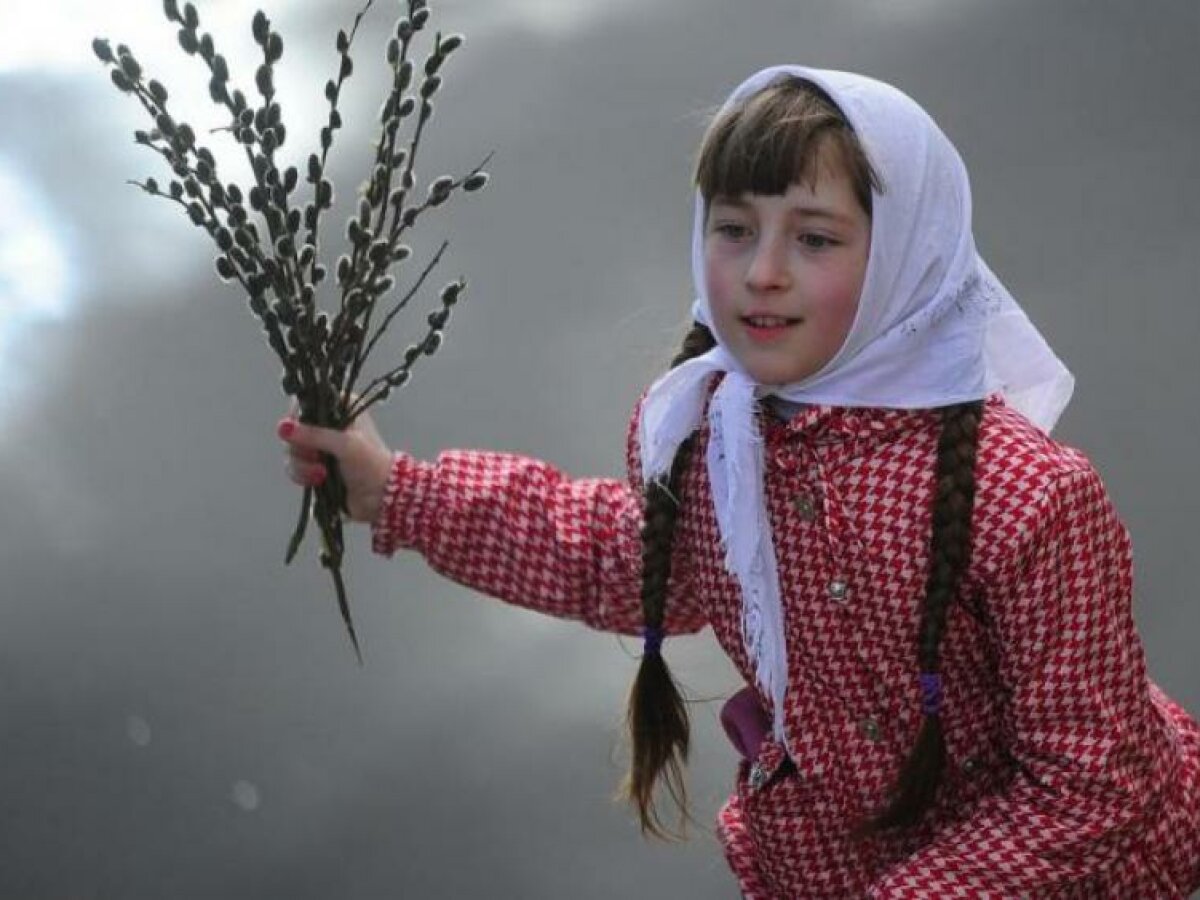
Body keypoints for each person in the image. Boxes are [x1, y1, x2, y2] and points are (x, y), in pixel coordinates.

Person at [276, 65, 1200, 897]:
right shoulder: (710, 429)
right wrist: (397, 492)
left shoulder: (1028, 497)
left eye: (815, 239)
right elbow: (624, 557)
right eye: (733, 228)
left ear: (908, 260)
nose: (761, 274)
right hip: (839, 857)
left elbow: (1089, 785)